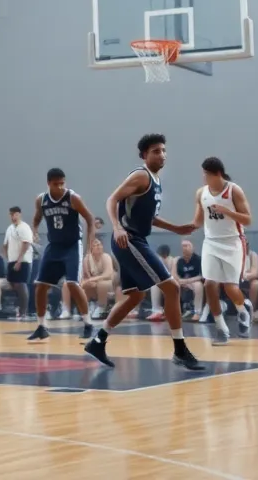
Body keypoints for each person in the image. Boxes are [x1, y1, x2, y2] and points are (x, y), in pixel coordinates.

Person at [84, 133, 203, 371]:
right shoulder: (140, 176)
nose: (162, 155)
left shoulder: (155, 182)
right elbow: (112, 199)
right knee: (172, 287)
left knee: (136, 297)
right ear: (144, 155)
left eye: (163, 150)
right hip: (129, 240)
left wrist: (175, 228)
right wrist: (117, 227)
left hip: (134, 240)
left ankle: (98, 341)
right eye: (156, 151)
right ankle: (180, 350)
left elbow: (149, 217)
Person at [27, 169, 95, 342]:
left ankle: (88, 324)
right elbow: (36, 219)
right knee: (40, 285)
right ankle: (42, 327)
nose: (60, 187)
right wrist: (34, 231)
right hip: (54, 246)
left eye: (62, 183)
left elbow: (90, 218)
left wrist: (88, 247)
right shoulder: (41, 200)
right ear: (48, 183)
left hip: (72, 245)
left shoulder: (73, 198)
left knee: (72, 283)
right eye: (56, 184)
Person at [190, 157, 253, 345]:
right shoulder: (201, 193)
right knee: (209, 284)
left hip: (233, 242)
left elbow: (248, 220)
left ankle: (243, 310)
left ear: (217, 174)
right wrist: (182, 228)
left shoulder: (234, 190)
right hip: (211, 242)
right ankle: (221, 329)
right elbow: (198, 221)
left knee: (230, 288)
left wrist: (227, 212)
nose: (203, 177)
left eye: (206, 174)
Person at [81, 238, 114, 319]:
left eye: (99, 245)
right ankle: (90, 304)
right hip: (95, 283)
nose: (98, 247)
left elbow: (108, 274)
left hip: (109, 282)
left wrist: (94, 279)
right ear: (91, 249)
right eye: (95, 245)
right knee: (85, 285)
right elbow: (86, 277)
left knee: (101, 284)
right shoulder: (87, 259)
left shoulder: (106, 256)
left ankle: (101, 308)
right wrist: (89, 280)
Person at [173, 240, 204, 320]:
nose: (185, 248)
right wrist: (181, 281)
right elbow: (175, 276)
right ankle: (175, 310)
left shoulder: (198, 259)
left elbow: (201, 276)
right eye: (183, 246)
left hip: (194, 281)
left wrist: (188, 281)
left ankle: (197, 312)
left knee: (198, 285)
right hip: (182, 282)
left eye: (187, 245)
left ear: (193, 248)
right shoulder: (179, 261)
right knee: (172, 285)